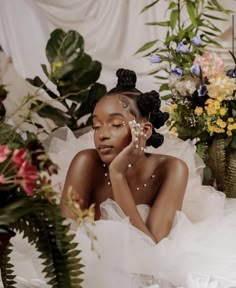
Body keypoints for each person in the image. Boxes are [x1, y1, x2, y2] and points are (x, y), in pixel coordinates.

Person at [60, 68, 189, 244]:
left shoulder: (172, 170)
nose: (102, 135)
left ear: (144, 130)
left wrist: (117, 175)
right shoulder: (86, 163)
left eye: (115, 124)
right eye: (96, 126)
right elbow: (62, 245)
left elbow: (153, 251)